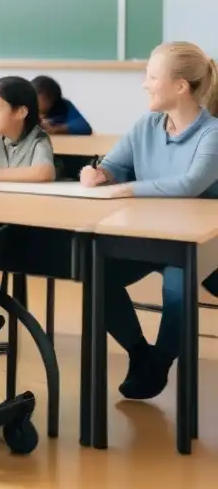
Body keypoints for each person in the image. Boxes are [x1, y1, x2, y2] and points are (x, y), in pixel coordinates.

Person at [80, 41, 218, 400]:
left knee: (177, 291)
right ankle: (141, 354)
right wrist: (100, 175)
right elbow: (114, 164)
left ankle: (161, 361)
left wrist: (126, 189)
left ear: (180, 86)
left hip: (197, 246)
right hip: (147, 237)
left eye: (152, 76)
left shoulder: (212, 134)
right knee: (98, 277)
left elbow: (189, 184)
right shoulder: (147, 124)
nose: (144, 83)